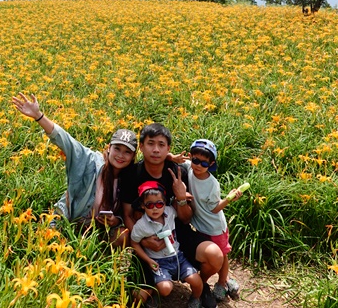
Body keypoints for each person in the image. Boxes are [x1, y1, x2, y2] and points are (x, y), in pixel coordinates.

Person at [11, 93, 137, 246]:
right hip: (70, 220)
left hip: (98, 229)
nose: (121, 156)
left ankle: (101, 259)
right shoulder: (91, 161)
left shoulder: (130, 177)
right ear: (109, 148)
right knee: (46, 240)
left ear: (133, 156)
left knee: (123, 235)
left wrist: (115, 220)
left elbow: (126, 213)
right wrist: (38, 116)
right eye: (117, 149)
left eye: (127, 152)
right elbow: (65, 140)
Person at [118, 123, 201, 304]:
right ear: (141, 147)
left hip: (175, 233)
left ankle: (204, 290)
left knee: (213, 255)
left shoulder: (178, 172)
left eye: (161, 145)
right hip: (144, 236)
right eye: (150, 143)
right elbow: (127, 214)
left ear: (168, 148)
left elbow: (186, 219)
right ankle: (154, 284)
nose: (156, 150)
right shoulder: (131, 174)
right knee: (137, 297)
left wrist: (180, 198)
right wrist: (143, 239)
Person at [175, 139, 242, 303]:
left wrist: (228, 199)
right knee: (217, 255)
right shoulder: (189, 170)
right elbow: (177, 161)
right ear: (190, 157)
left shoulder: (212, 183)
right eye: (195, 160)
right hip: (201, 225)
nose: (198, 165)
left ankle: (221, 283)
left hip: (214, 226)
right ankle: (222, 281)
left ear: (211, 164)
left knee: (222, 256)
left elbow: (215, 208)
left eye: (204, 163)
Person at [130, 181, 203, 308]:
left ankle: (196, 298)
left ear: (164, 203)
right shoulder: (141, 226)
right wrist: (148, 260)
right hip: (159, 262)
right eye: (149, 204)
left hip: (178, 257)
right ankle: (155, 291)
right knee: (165, 289)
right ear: (142, 205)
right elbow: (134, 243)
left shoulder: (170, 212)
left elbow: (179, 206)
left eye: (159, 204)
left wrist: (182, 196)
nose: (155, 208)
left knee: (196, 281)